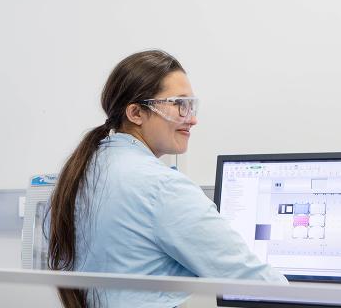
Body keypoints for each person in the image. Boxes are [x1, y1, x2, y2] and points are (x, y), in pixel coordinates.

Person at [46, 50, 286, 308]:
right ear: (136, 113)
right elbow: (256, 282)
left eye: (191, 105)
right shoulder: (160, 187)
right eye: (179, 105)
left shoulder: (86, 169)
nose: (192, 119)